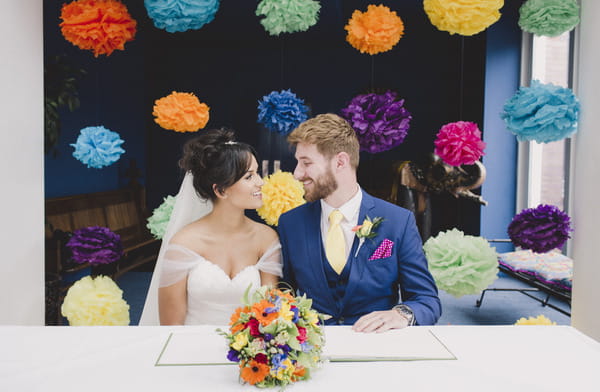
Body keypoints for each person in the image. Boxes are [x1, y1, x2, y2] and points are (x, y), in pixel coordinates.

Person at [278, 113, 441, 332]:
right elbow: (283, 292)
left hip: (376, 348)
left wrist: (400, 314)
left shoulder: (398, 222)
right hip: (312, 351)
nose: (297, 174)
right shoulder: (291, 223)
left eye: (306, 163)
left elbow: (426, 299)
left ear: (340, 162)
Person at [139, 129, 282, 325]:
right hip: (193, 350)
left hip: (250, 352)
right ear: (221, 190)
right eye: (249, 177)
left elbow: (271, 312)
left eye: (257, 173)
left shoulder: (266, 238)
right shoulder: (184, 243)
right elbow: (170, 324)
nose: (260, 183)